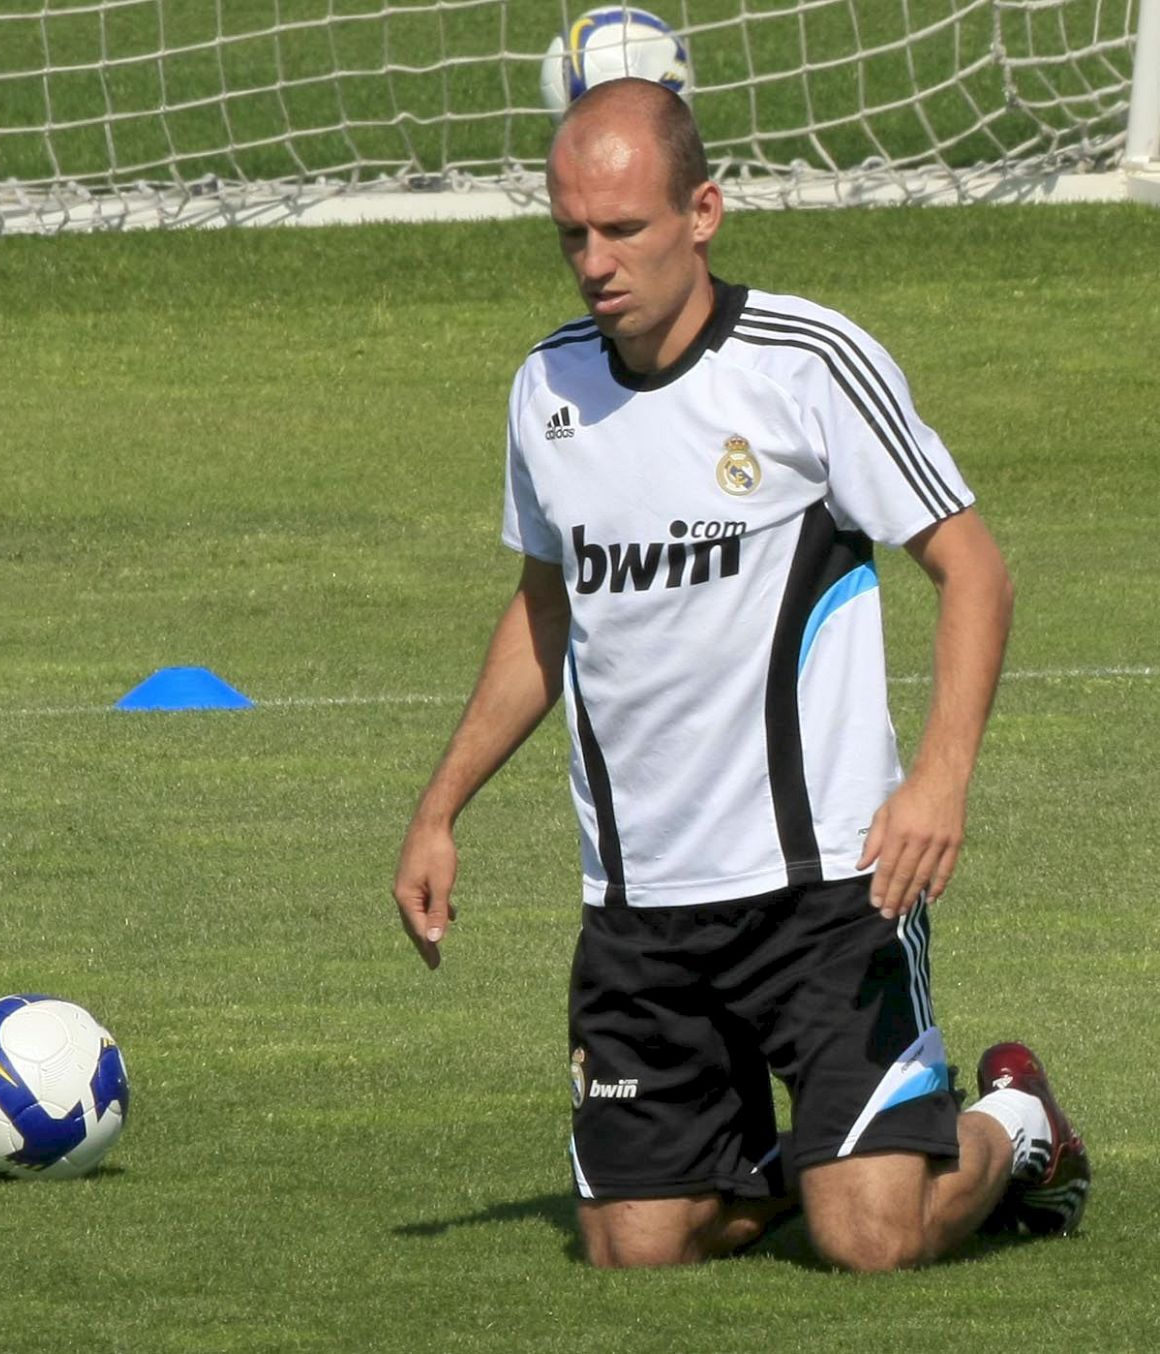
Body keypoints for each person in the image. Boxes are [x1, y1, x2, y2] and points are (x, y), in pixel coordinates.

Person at [391, 77, 1089, 1272]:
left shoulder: (806, 366)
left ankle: (1016, 1123)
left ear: (703, 210)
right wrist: (440, 807)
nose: (594, 263)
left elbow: (974, 570)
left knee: (872, 1242)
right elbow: (544, 609)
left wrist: (938, 782)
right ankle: (817, 1151)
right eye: (571, 234)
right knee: (632, 1249)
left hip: (825, 891)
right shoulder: (545, 388)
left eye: (624, 229)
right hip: (641, 907)